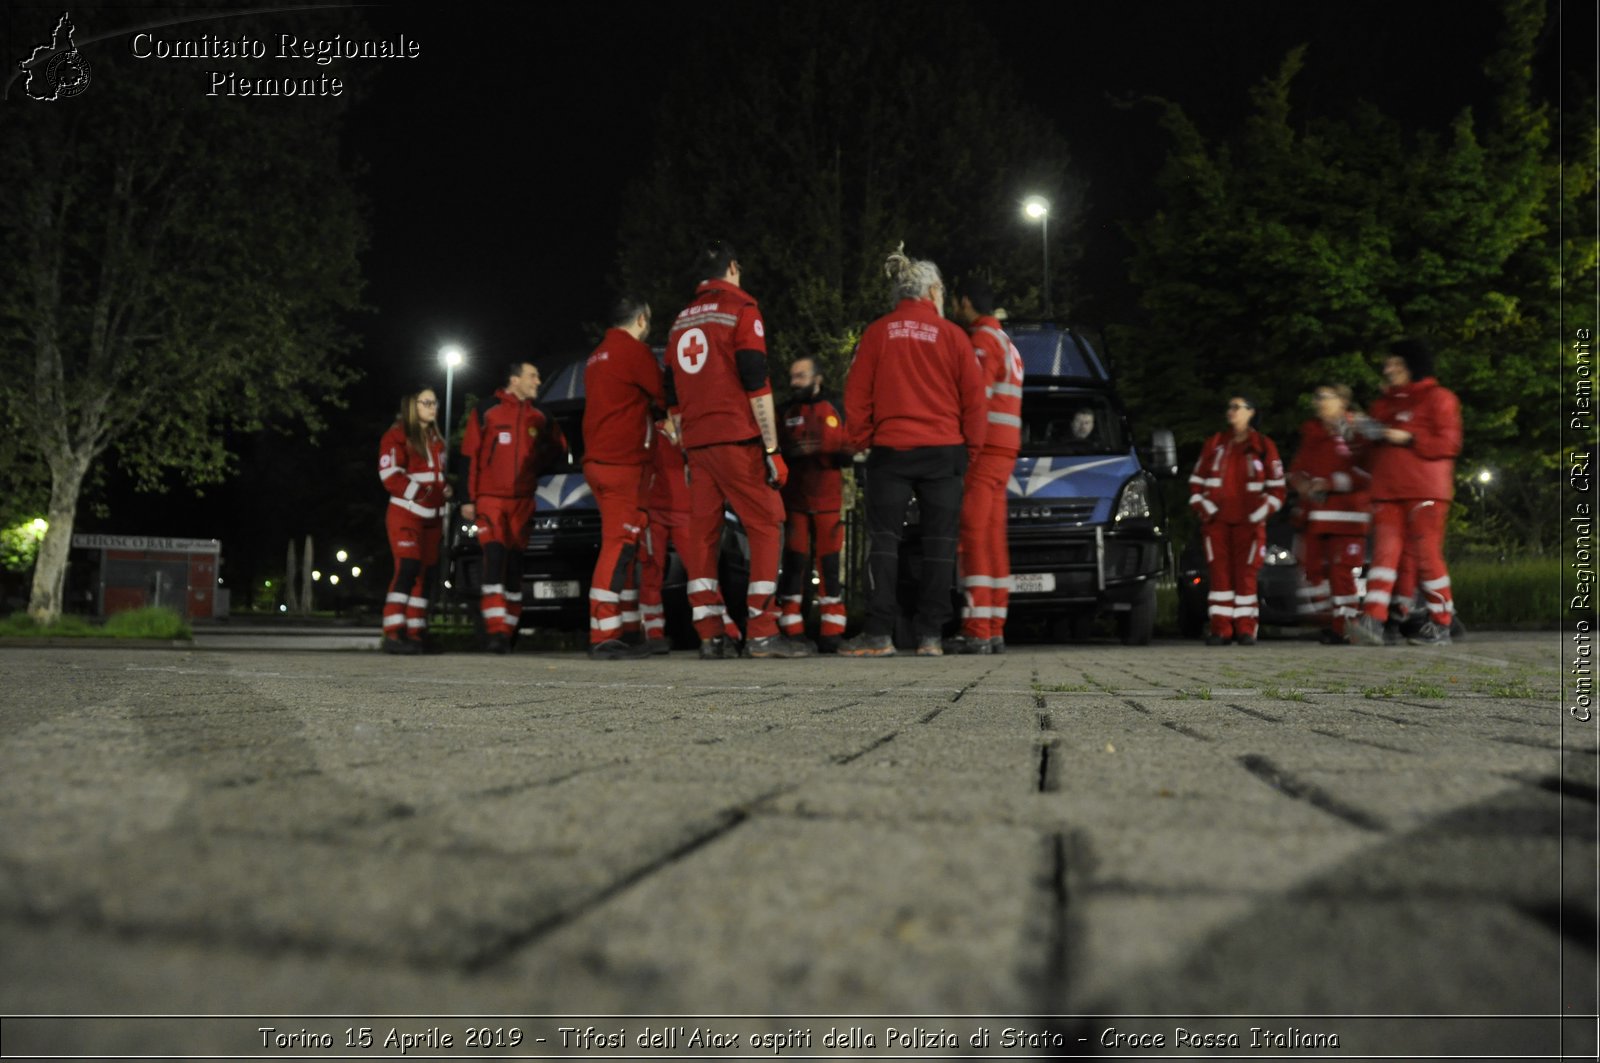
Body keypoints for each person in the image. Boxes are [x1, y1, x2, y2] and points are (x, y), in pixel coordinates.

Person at [664, 240, 812, 659]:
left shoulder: (679, 323)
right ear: (731, 267)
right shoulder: (741, 310)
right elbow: (755, 380)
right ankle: (763, 631)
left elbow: (671, 391)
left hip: (697, 443)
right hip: (736, 438)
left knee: (703, 536)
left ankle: (710, 634)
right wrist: (772, 448)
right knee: (768, 524)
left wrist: (686, 444)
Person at [838, 246, 987, 657]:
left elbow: (857, 394)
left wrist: (861, 439)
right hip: (944, 451)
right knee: (940, 544)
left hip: (891, 450)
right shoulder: (954, 336)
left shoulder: (877, 332)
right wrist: (969, 450)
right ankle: (930, 638)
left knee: (884, 540)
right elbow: (974, 400)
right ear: (933, 291)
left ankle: (879, 634)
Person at [1346, 339, 1462, 647]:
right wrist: (1358, 436)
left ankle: (1441, 623)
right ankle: (1372, 619)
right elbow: (1368, 457)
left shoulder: (1440, 398)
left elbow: (1448, 444)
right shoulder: (1383, 404)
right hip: (1387, 491)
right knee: (1383, 558)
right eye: (1388, 364)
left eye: (1396, 363)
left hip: (1425, 490)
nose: (1389, 369)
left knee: (1427, 558)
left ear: (1413, 365)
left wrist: (1408, 436)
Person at [460, 361, 565, 653]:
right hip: (490, 500)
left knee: (515, 565)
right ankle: (494, 633)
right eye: (533, 375)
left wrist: (536, 467)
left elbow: (559, 448)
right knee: (494, 558)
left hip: (523, 501)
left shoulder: (540, 415)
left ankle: (507, 632)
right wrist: (466, 499)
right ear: (514, 379)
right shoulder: (486, 410)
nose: (538, 381)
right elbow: (469, 455)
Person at [582, 295, 665, 660]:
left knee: (625, 544)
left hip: (600, 461)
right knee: (619, 544)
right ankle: (603, 633)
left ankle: (628, 630)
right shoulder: (633, 352)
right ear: (642, 319)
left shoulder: (596, 356)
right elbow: (663, 393)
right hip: (623, 464)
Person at [945, 275, 1023, 655]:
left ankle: (977, 628)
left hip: (985, 448)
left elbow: (976, 399)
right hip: (1005, 450)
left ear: (965, 303)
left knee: (973, 534)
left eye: (956, 304)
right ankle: (993, 625)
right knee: (992, 537)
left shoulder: (982, 341)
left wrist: (965, 446)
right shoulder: (1007, 341)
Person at [1188, 395, 1286, 645]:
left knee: (1246, 575)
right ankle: (1221, 629)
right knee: (1219, 575)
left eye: (1236, 407)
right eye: (1229, 406)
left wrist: (1259, 514)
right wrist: (1206, 507)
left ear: (1251, 412)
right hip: (1216, 523)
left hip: (1250, 524)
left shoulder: (1263, 445)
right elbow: (1196, 482)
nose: (1231, 411)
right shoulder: (1216, 443)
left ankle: (1245, 629)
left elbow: (1277, 489)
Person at [776, 356, 850, 652]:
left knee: (829, 565)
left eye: (801, 376)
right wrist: (795, 451)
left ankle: (832, 632)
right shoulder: (784, 411)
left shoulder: (837, 407)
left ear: (817, 378)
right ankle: (791, 629)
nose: (795, 382)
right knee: (793, 564)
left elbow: (849, 449)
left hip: (828, 499)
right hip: (794, 500)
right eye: (793, 376)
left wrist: (820, 449)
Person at [1287, 384, 1370, 644]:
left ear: (1342, 401)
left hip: (1348, 517)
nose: (1320, 402)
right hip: (1317, 516)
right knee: (1314, 572)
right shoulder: (1313, 434)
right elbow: (1298, 468)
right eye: (1317, 397)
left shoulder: (1355, 431)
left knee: (1341, 573)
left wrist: (1331, 483)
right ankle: (1334, 622)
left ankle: (1347, 626)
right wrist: (1300, 482)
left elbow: (1368, 472)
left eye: (1326, 397)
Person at [377, 386, 449, 654]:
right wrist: (422, 494)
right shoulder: (397, 435)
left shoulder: (435, 438)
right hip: (406, 514)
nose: (433, 407)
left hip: (433, 518)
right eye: (426, 402)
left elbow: (434, 477)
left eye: (435, 402)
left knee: (425, 575)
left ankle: (416, 633)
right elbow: (389, 475)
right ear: (412, 405)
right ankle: (393, 633)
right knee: (407, 570)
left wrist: (445, 491)